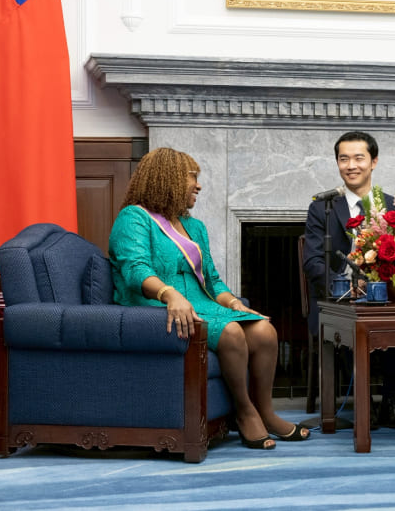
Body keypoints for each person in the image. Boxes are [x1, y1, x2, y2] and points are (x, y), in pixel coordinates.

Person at [109, 147, 310, 450]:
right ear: (170, 179)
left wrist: (234, 303)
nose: (199, 186)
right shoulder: (133, 218)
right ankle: (244, 412)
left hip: (202, 304)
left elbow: (213, 280)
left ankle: (266, 412)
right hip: (155, 305)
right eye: (192, 178)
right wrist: (170, 294)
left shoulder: (194, 227)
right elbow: (136, 270)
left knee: (265, 331)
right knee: (230, 332)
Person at [303, 131, 395, 429]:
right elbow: (312, 262)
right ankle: (364, 405)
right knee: (347, 325)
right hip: (337, 300)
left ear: (374, 162)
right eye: (343, 158)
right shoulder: (322, 207)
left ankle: (389, 404)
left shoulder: (393, 208)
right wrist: (343, 284)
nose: (351, 165)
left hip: (382, 298)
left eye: (358, 158)